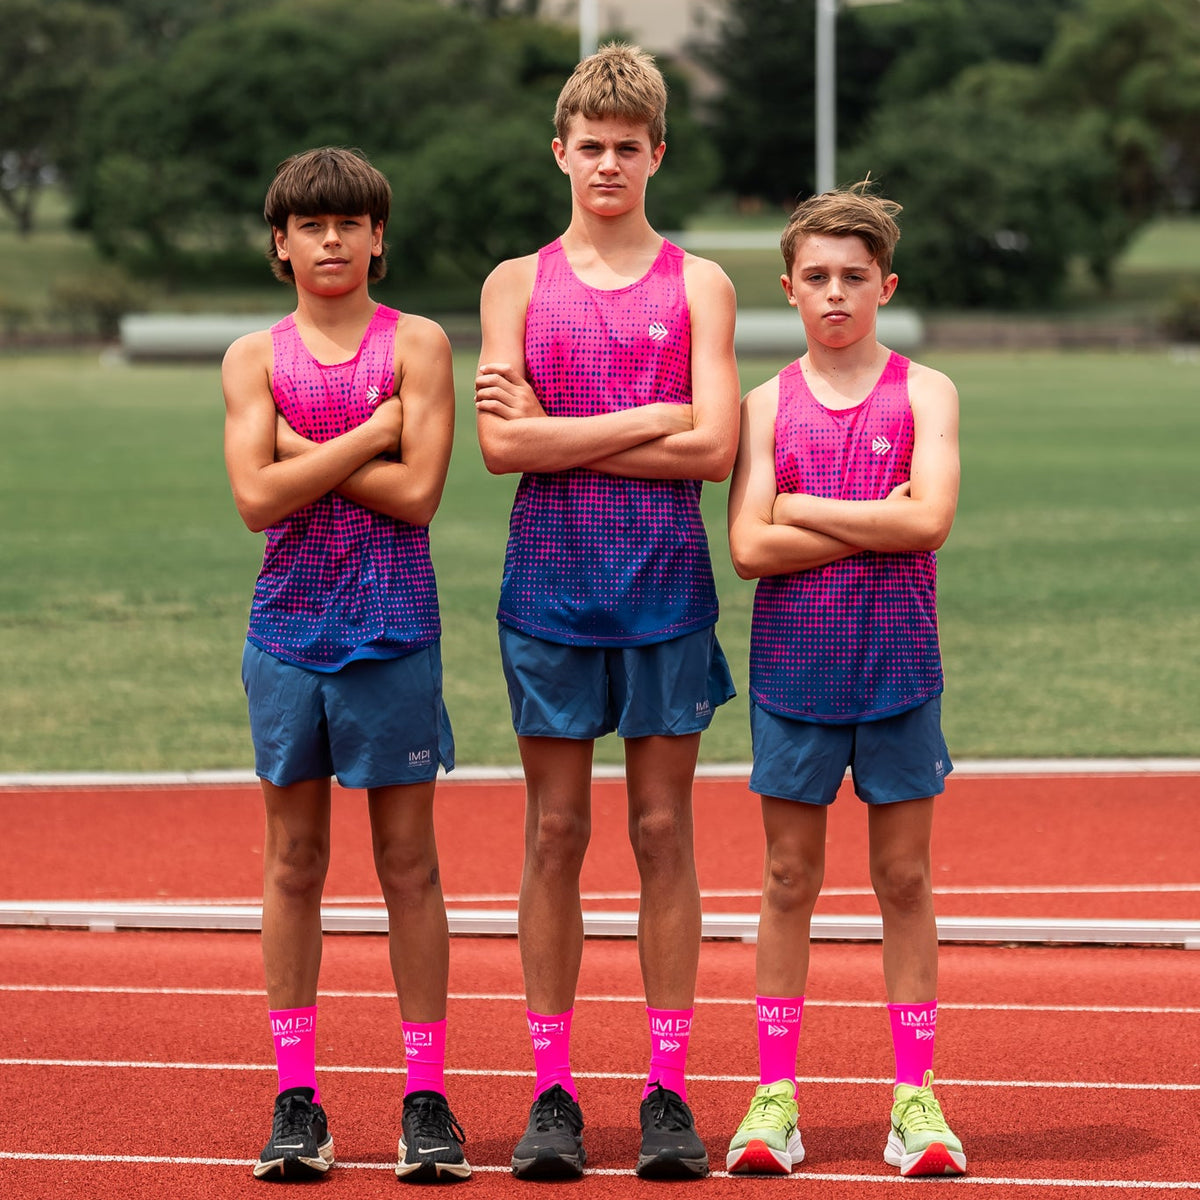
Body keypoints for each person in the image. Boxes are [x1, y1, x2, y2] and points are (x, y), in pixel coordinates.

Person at [474, 43, 740, 1182]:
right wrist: (650, 418)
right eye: (591, 147)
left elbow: (719, 448)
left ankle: (669, 1091)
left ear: (657, 154)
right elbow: (500, 448)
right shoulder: (515, 283)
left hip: (667, 592)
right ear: (561, 152)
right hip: (549, 591)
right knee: (557, 834)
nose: (609, 164)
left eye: (629, 148)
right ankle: (551, 1091)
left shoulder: (703, 284)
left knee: (666, 835)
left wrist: (562, 432)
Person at [221, 146, 469, 1184]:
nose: (330, 239)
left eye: (349, 223)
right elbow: (255, 503)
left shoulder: (417, 341)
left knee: (407, 866)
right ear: (280, 244)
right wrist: (370, 432)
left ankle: (427, 1098)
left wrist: (301, 452)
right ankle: (297, 1100)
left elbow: (420, 498)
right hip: (287, 632)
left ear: (378, 237)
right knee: (294, 865)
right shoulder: (252, 358)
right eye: (309, 225)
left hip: (392, 630)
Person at [724, 181, 967, 1178]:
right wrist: (862, 511)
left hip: (901, 673)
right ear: (788, 288)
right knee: (789, 881)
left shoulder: (929, 392)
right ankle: (775, 1096)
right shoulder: (764, 403)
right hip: (795, 677)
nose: (835, 294)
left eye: (853, 278)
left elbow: (928, 523)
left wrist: (802, 510)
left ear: (884, 286)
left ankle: (915, 1098)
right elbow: (745, 545)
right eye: (816, 277)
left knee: (903, 879)